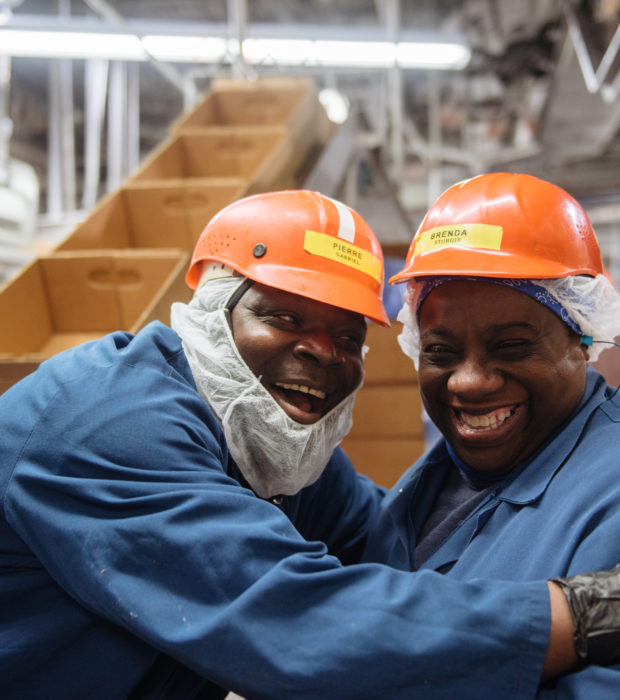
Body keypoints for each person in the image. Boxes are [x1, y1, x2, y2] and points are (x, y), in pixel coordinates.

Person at [0, 188, 617, 700]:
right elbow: (294, 614)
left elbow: (381, 534)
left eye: (348, 336)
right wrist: (576, 615)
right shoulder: (114, 425)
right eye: (285, 317)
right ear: (215, 311)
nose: (322, 350)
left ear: (582, 341)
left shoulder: (262, 441)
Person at [362, 172, 620, 697]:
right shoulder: (441, 478)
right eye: (440, 352)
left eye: (511, 346)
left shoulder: (608, 491)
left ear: (582, 335)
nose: (469, 381)